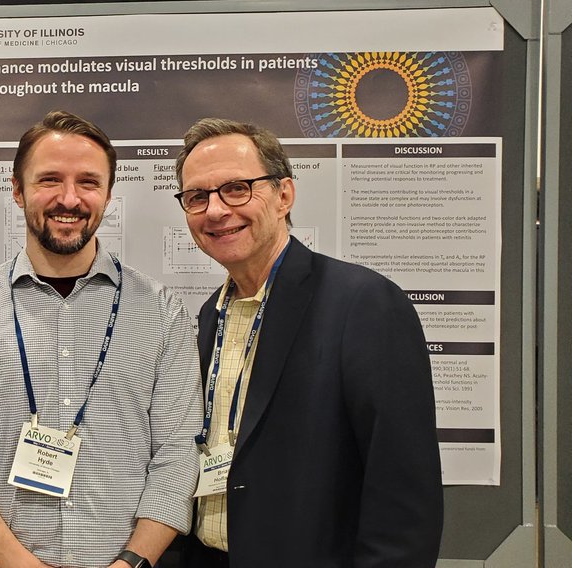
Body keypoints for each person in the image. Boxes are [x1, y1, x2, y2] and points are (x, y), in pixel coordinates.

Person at [0, 110, 202, 568]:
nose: (69, 198)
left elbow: (177, 456)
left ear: (109, 195)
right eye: (49, 180)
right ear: (17, 190)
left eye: (88, 183)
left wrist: (130, 563)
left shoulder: (161, 310)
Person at [171, 117, 443, 567]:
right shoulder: (210, 315)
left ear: (284, 196)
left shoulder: (364, 304)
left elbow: (403, 494)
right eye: (197, 196)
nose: (216, 210)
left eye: (237, 188)